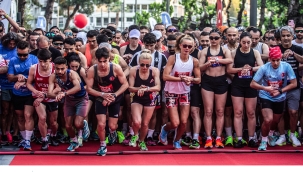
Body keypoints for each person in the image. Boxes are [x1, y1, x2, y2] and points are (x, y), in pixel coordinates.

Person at [250, 46, 297, 151]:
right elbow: (252, 84)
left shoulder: (286, 66)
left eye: (278, 60)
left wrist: (280, 91)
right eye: (273, 60)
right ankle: (263, 140)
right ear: (269, 59)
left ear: (281, 58)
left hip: (280, 97)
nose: (275, 63)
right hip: (266, 95)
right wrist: (265, 88)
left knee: (275, 121)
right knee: (268, 119)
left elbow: (294, 83)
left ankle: (271, 133)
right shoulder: (264, 68)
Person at [159, 35, 201, 150]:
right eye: (185, 46)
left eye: (189, 46)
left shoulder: (194, 61)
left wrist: (191, 79)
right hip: (171, 92)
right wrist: (182, 79)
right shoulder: (173, 58)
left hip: (184, 93)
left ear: (192, 48)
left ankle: (177, 140)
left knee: (183, 121)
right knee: (175, 123)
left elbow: (198, 79)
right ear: (180, 46)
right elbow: (165, 76)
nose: (187, 48)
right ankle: (165, 129)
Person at [86, 47, 128, 156]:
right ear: (96, 60)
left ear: (109, 59)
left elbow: (125, 84)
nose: (103, 64)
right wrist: (103, 95)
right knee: (101, 124)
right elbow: (89, 89)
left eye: (105, 61)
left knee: (112, 126)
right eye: (100, 62)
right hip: (101, 96)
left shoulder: (116, 68)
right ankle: (102, 145)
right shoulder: (92, 70)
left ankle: (113, 132)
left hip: (115, 96)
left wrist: (114, 95)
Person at [227, 32, 264, 148]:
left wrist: (251, 68)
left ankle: (252, 137)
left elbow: (262, 66)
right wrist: (240, 69)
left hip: (251, 85)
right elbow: (229, 69)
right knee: (238, 112)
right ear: (240, 41)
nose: (246, 45)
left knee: (251, 113)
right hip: (237, 85)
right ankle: (238, 138)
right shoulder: (234, 53)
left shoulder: (255, 52)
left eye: (249, 42)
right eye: (244, 42)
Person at [199, 29, 233, 149]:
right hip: (207, 81)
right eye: (211, 38)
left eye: (216, 38)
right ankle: (208, 138)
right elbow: (199, 67)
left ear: (221, 39)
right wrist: (207, 64)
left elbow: (230, 60)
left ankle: (218, 137)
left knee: (220, 111)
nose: (213, 40)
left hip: (221, 81)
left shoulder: (224, 50)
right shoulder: (204, 51)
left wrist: (218, 60)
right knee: (208, 111)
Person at [47, 57, 90, 152]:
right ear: (54, 68)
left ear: (66, 67)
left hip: (81, 99)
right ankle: (74, 141)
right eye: (57, 69)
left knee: (78, 124)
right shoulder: (53, 76)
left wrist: (64, 93)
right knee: (68, 125)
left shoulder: (71, 74)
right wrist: (56, 96)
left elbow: (78, 87)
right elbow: (49, 93)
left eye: (62, 69)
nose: (60, 71)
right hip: (69, 100)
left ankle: (84, 124)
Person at [7, 41, 39, 150]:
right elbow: (10, 77)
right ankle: (25, 139)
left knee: (27, 115)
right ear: (16, 52)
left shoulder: (34, 59)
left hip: (30, 92)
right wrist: (18, 76)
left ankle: (28, 140)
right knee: (20, 117)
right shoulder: (12, 60)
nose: (22, 57)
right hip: (17, 93)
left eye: (25, 55)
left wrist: (25, 80)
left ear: (29, 51)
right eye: (19, 54)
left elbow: (38, 76)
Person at [26, 48, 59, 151]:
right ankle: (44, 140)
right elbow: (28, 83)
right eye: (40, 61)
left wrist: (45, 95)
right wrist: (35, 91)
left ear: (50, 60)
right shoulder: (33, 68)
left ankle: (53, 135)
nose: (43, 64)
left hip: (51, 97)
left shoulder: (55, 69)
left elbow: (58, 87)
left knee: (53, 122)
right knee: (42, 118)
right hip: (38, 97)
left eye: (45, 61)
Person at [128, 49, 161, 151]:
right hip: (137, 97)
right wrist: (139, 89)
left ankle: (142, 141)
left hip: (149, 98)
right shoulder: (133, 70)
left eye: (147, 65)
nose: (145, 67)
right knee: (137, 122)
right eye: (142, 65)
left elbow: (158, 87)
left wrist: (146, 89)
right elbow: (130, 88)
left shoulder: (154, 71)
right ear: (139, 63)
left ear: (150, 64)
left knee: (145, 123)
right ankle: (135, 135)